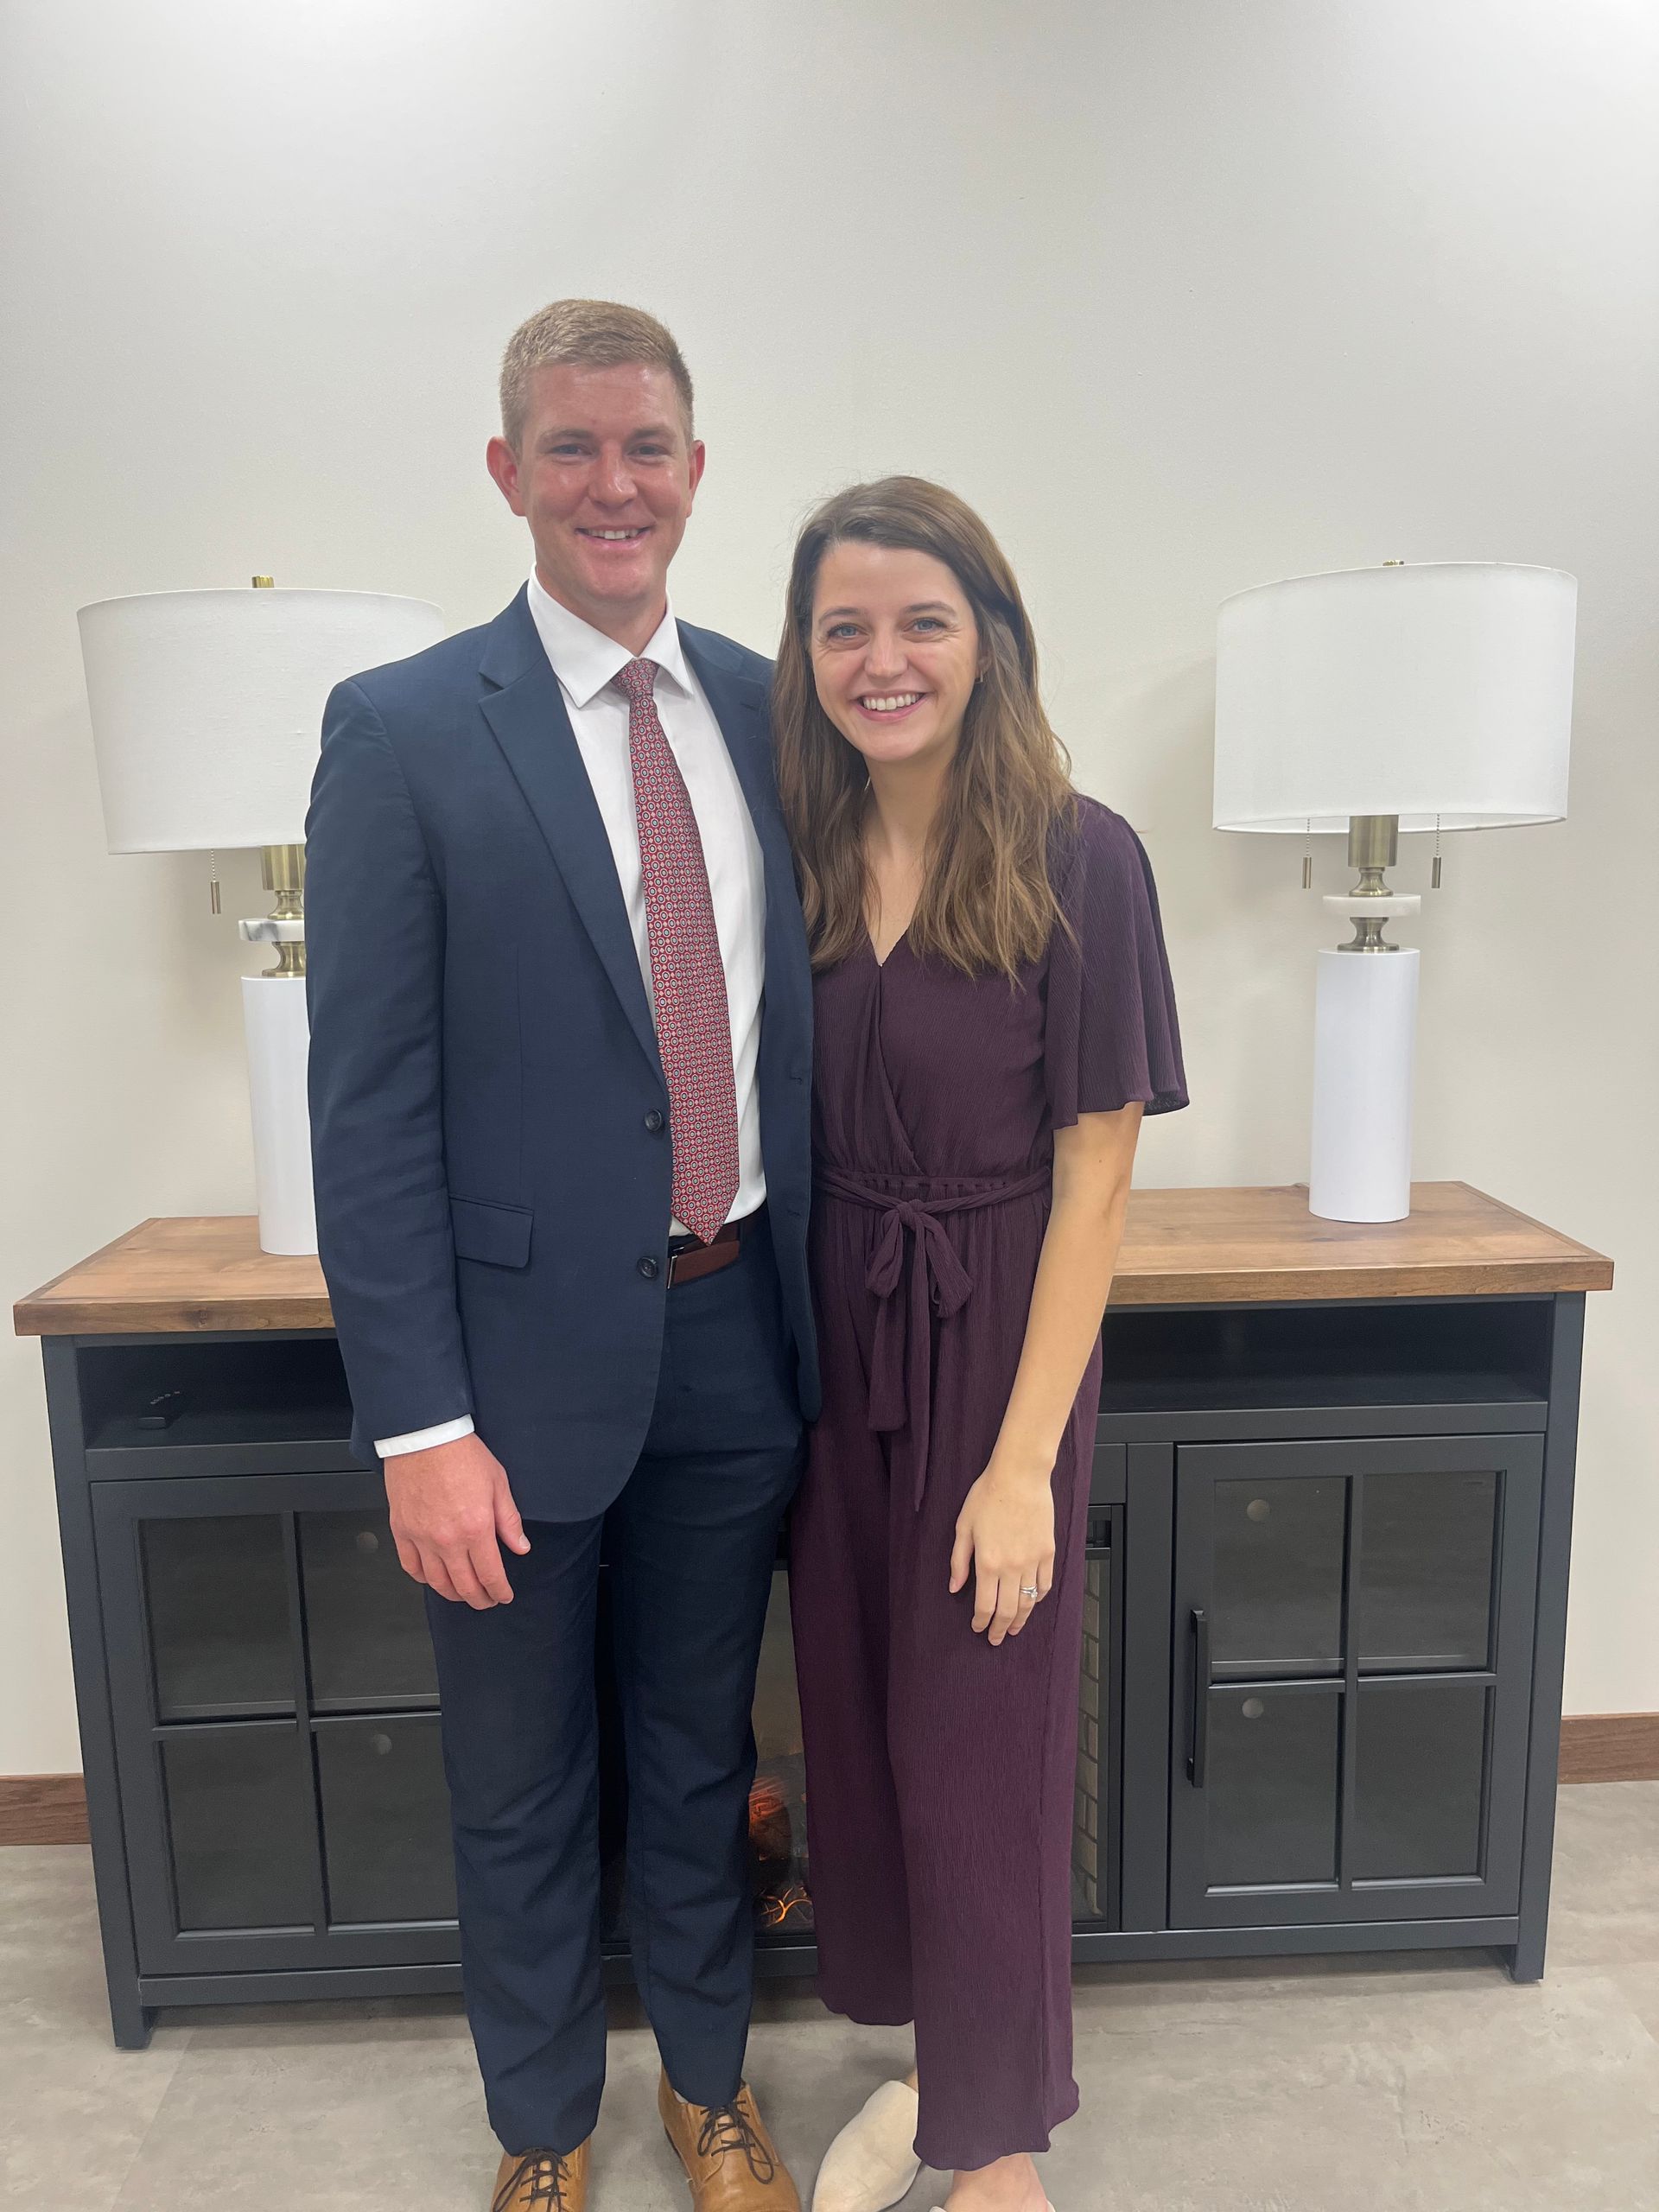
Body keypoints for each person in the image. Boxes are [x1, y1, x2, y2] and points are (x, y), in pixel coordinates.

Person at [305, 299, 818, 2212]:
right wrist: (417, 1426)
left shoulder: (776, 712)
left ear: (697, 467)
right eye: (575, 447)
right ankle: (542, 2127)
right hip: (507, 1383)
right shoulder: (403, 728)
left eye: (648, 446)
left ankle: (710, 2088)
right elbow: (367, 1109)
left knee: (698, 1755)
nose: (617, 483)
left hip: (738, 1338)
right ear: (508, 470)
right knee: (520, 1781)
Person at [772, 479, 1187, 2212]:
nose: (884, 659)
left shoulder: (1082, 854)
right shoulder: (799, 848)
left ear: (990, 639)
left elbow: (1098, 1179)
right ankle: (940, 2075)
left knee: (981, 1753)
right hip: (832, 1341)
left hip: (994, 1343)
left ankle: (997, 2149)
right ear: (806, 656)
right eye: (845, 627)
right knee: (866, 1737)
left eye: (922, 621)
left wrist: (1021, 1468)